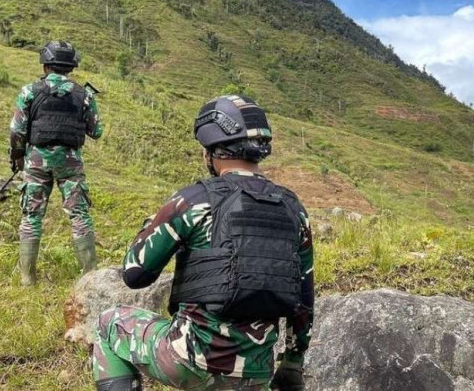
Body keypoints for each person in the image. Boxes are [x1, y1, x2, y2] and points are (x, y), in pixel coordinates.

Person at [93, 95, 314, 391]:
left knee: (109, 323)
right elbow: (304, 299)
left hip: (190, 360)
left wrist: (153, 223)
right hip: (257, 373)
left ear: (212, 150)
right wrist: (292, 364)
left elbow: (135, 274)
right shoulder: (293, 209)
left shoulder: (193, 200)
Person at [9, 40, 103, 286]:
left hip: (36, 162)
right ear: (71, 66)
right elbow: (96, 131)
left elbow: (17, 130)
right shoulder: (84, 95)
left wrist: (18, 157)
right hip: (70, 164)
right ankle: (90, 277)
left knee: (31, 216)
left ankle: (27, 280)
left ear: (46, 63)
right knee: (79, 214)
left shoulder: (29, 91)